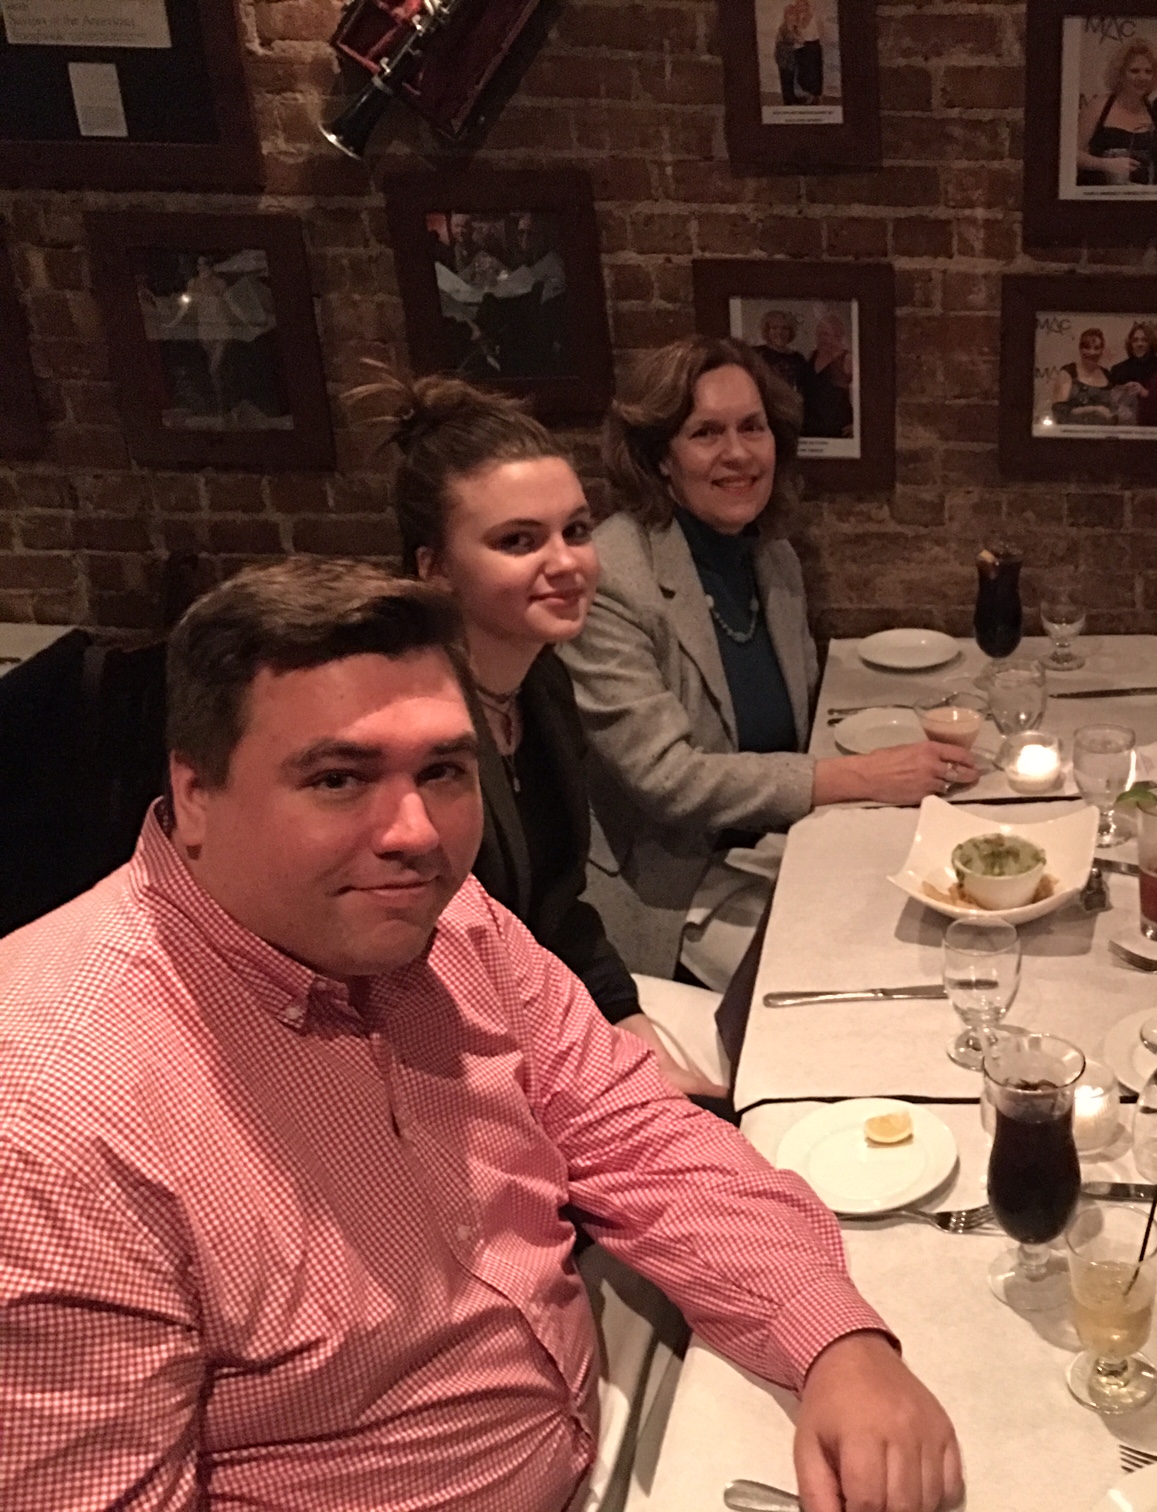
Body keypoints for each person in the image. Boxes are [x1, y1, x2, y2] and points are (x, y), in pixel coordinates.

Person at [0, 558, 964, 1512]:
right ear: (196, 792)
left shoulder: (451, 920)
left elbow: (638, 1134)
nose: (416, 831)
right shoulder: (50, 1120)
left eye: (444, 771)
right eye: (339, 777)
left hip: (609, 1431)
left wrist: (837, 1343)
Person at [559, 335, 978, 987]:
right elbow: (669, 780)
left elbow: (794, 729)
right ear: (658, 458)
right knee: (872, 979)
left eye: (752, 427)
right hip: (674, 889)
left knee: (947, 924)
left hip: (771, 854)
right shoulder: (612, 578)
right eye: (705, 433)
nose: (737, 453)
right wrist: (858, 777)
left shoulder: (769, 556)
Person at [354, 369, 727, 1097]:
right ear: (433, 570)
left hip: (537, 1014)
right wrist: (606, 1079)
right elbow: (415, 986)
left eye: (576, 531)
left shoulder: (544, 682)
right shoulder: (406, 739)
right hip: (440, 1069)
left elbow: (557, 906)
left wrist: (627, 1022)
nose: (566, 564)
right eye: (518, 540)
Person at [1074, 36, 1157, 187]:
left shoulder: (1156, 112)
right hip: (1097, 201)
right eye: (1134, 71)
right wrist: (1105, 164)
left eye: (1148, 71)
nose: (1142, 77)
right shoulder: (1098, 106)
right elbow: (1069, 155)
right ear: (1120, 74)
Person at [1107, 320, 1157, 429]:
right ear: (1130, 343)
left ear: (1151, 343)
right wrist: (1122, 391)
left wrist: (1145, 393)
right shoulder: (1118, 369)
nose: (1140, 344)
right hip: (1127, 430)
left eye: (1144, 340)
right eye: (1135, 340)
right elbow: (1109, 402)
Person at [1049, 327, 1129, 426]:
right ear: (1080, 349)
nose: (1092, 352)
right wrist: (1094, 410)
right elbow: (1059, 411)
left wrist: (1126, 391)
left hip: (1104, 435)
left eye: (1096, 348)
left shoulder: (1106, 374)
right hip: (1073, 435)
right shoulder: (1069, 372)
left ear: (1101, 351)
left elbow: (1115, 406)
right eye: (1087, 347)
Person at [802, 306, 855, 440]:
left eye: (825, 334)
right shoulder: (811, 356)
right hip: (809, 429)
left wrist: (858, 424)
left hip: (837, 430)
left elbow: (866, 395)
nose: (820, 338)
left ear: (838, 335)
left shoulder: (847, 359)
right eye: (818, 334)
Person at [755, 308, 815, 396]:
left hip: (790, 405)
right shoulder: (756, 354)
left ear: (790, 332)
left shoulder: (798, 359)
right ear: (767, 331)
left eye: (785, 328)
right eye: (774, 328)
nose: (779, 332)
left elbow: (806, 389)